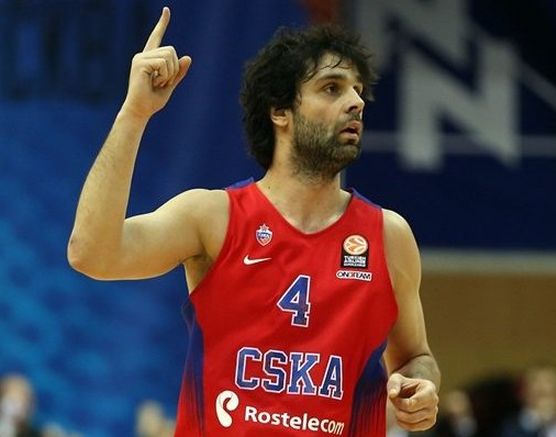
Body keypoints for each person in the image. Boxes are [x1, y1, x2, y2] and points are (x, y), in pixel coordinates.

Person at [67, 7, 440, 436]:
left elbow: (415, 356)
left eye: (357, 91)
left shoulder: (389, 236)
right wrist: (134, 114)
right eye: (332, 88)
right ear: (280, 111)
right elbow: (91, 254)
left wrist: (421, 386)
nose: (356, 102)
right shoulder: (213, 218)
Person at [499, 364, 556, 437]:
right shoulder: (509, 430)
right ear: (523, 393)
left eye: (549, 382)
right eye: (535, 381)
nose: (544, 387)